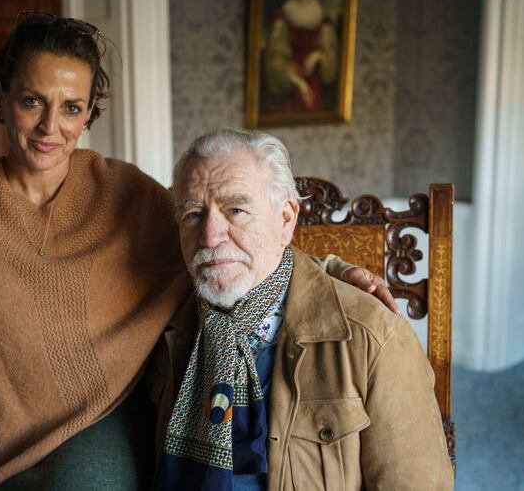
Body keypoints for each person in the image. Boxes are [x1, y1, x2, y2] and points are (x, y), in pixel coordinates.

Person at [0, 13, 397, 490]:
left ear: (88, 115)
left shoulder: (123, 193)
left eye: (72, 108)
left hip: (101, 420)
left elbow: (226, 244)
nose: (49, 126)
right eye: (31, 100)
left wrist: (334, 269)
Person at [149, 128, 454, 490]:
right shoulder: (161, 319)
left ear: (286, 219)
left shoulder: (374, 338)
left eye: (236, 210)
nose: (211, 235)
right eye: (194, 214)